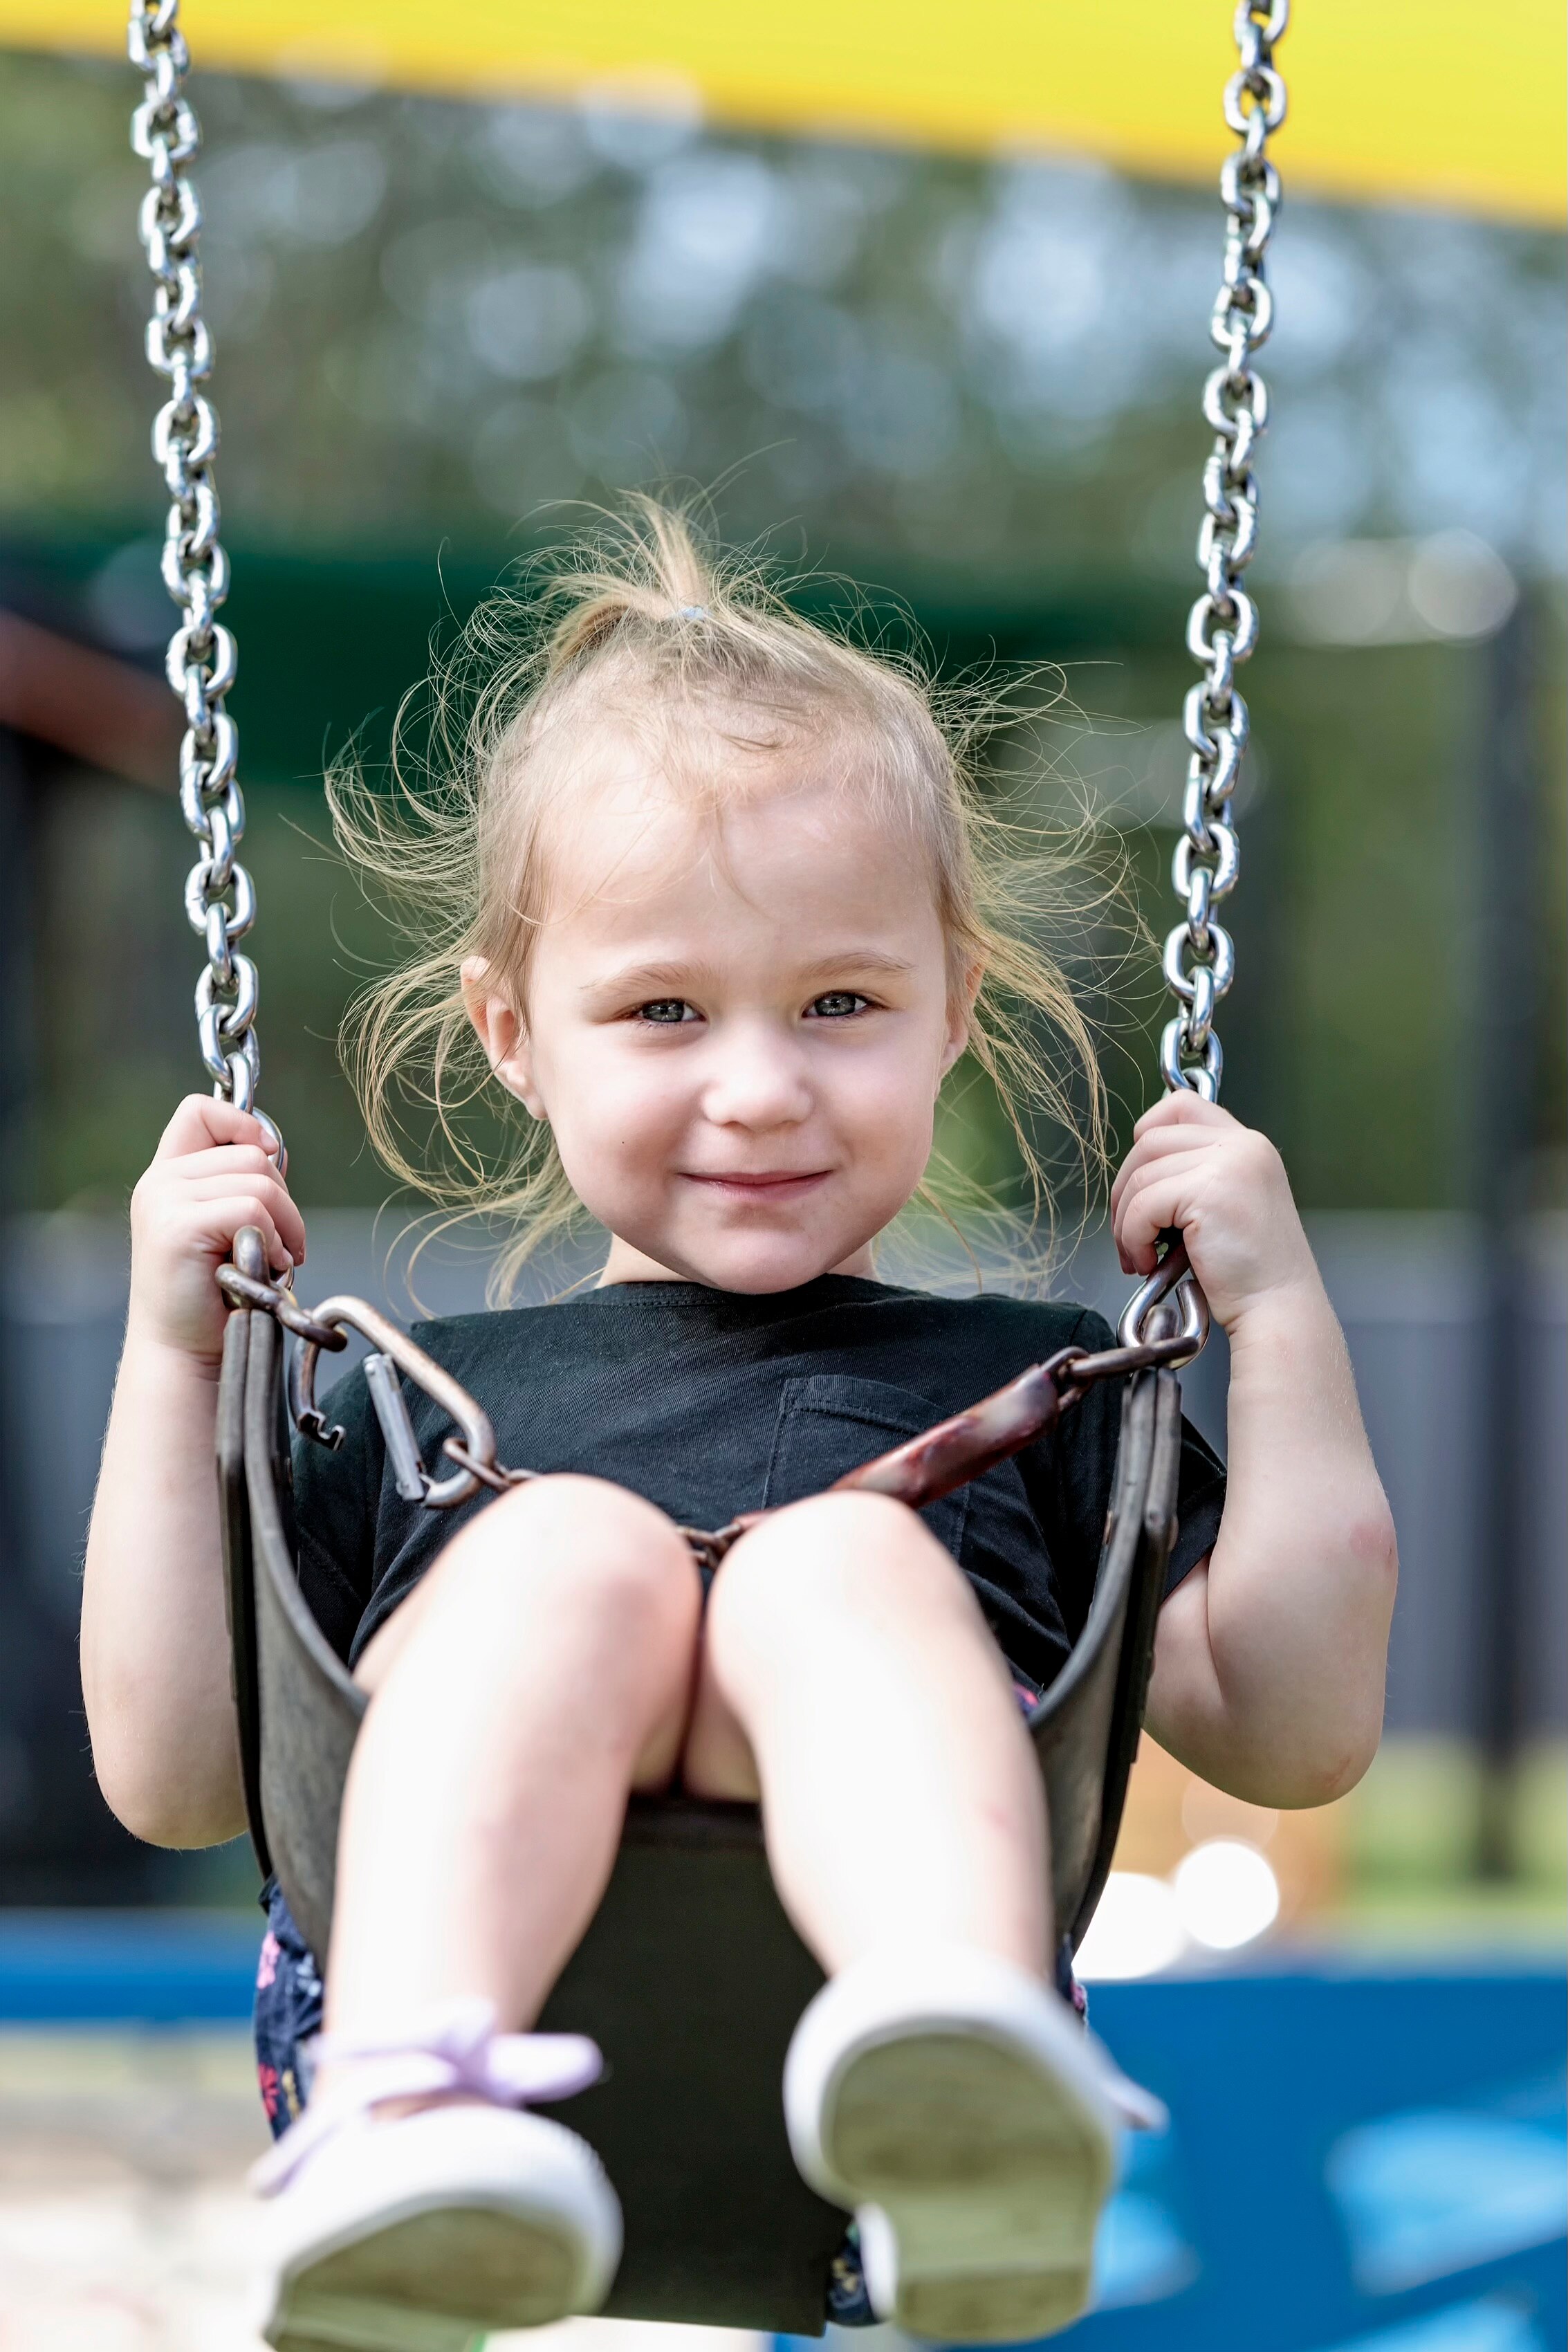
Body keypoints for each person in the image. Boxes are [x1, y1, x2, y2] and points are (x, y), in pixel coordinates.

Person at [81, 502, 1396, 2352]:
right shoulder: (414, 1402)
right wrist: (167, 1358)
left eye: (842, 1002)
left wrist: (1274, 1313)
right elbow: (176, 1774)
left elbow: (1296, 1728)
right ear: (516, 1032)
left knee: (835, 1568)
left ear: (953, 1013)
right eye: (664, 1010)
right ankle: (411, 2100)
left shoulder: (1032, 1385)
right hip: (451, 2052)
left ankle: (949, 2063)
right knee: (571, 1552)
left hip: (840, 2104)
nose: (760, 1087)